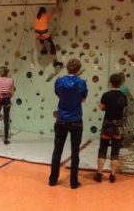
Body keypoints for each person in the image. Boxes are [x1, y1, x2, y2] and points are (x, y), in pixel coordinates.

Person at [49, 59, 88, 189]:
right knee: (75, 152)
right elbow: (83, 98)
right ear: (78, 69)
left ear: (67, 68)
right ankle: (73, 182)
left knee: (57, 151)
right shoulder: (82, 83)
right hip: (76, 120)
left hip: (61, 120)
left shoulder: (59, 81)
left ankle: (53, 180)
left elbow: (58, 95)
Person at [94, 73, 128, 183]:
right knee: (115, 151)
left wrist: (100, 105)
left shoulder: (106, 95)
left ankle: (99, 174)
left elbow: (103, 108)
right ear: (121, 83)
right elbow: (123, 110)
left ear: (110, 82)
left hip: (107, 124)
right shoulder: (123, 96)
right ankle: (112, 175)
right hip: (118, 125)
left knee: (102, 149)